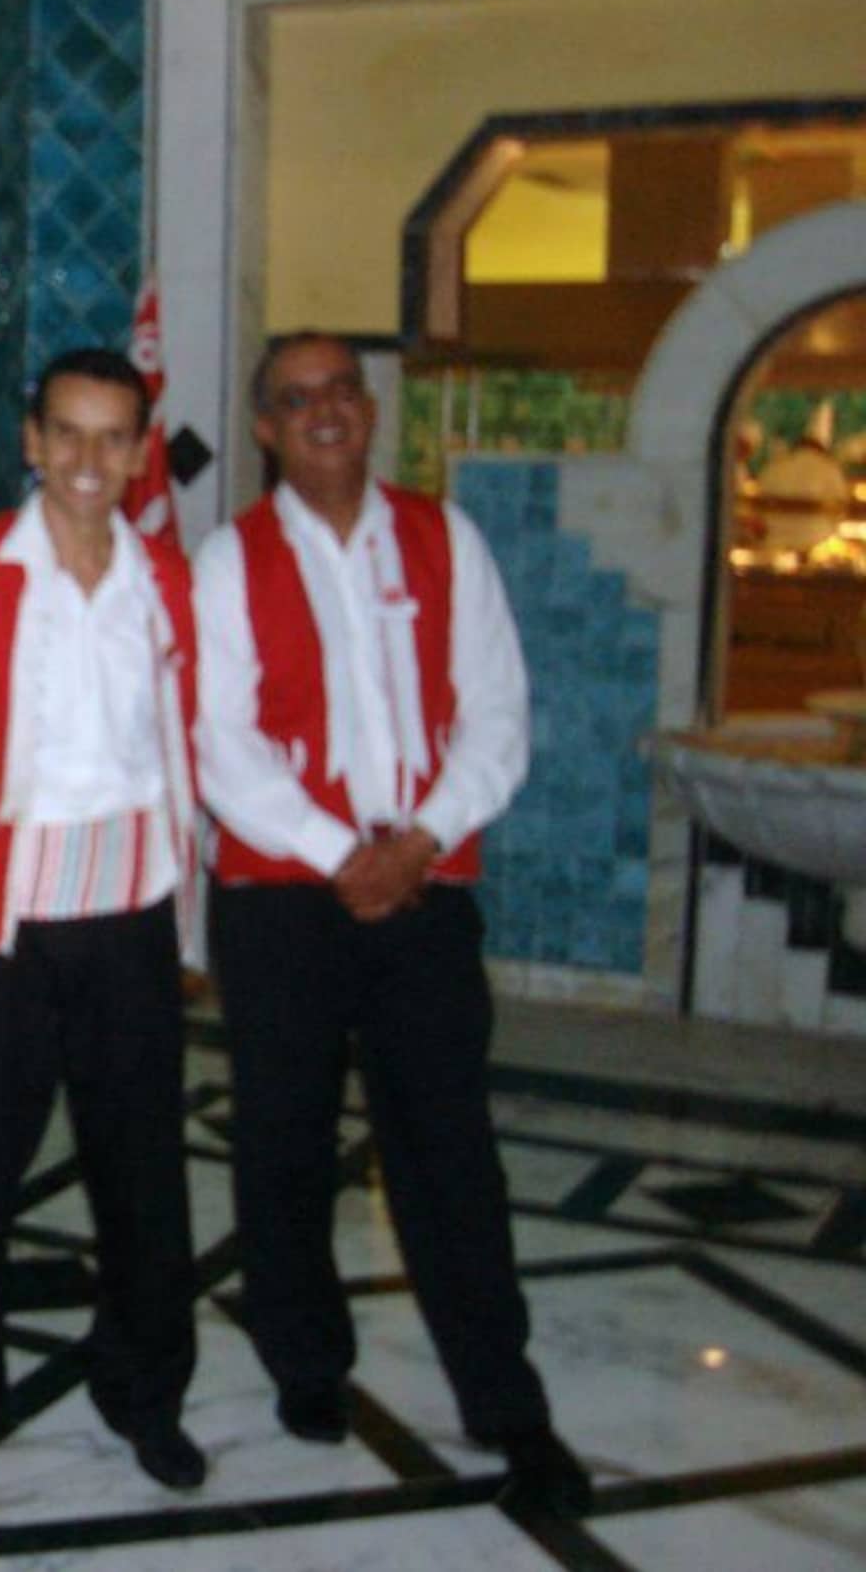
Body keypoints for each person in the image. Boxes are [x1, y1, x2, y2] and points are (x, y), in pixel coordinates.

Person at [193, 332, 592, 1513]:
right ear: (265, 427)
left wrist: (416, 842)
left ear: (370, 412)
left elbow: (499, 712)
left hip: (424, 890)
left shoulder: (445, 538)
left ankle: (506, 1403)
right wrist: (341, 857)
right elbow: (223, 744)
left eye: (342, 392)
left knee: (450, 1152)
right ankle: (306, 1365)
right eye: (296, 398)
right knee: (283, 1142)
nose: (324, 411)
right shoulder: (230, 558)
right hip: (281, 901)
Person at [0, 347, 206, 1490]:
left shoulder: (164, 582)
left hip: (129, 917)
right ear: (32, 440)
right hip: (4, 923)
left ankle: (145, 1390)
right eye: (67, 432)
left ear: (140, 452)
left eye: (113, 437)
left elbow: (178, 739)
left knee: (143, 1175)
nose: (87, 459)